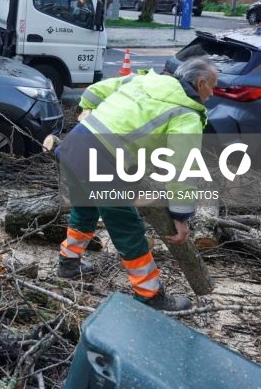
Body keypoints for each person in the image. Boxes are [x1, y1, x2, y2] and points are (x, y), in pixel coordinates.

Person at [54, 57, 218, 311]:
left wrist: (86, 109)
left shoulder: (146, 79)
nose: (214, 93)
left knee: (85, 209)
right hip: (102, 161)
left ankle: (68, 263)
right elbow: (182, 168)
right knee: (127, 227)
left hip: (74, 146)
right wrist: (181, 215)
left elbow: (95, 91)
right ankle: (150, 294)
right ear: (200, 83)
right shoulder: (186, 114)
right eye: (213, 87)